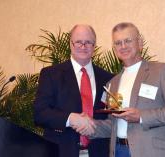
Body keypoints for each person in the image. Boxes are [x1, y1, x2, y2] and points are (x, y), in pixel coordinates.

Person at [81, 22, 165, 157]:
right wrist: (90, 125)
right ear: (114, 49)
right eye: (118, 43)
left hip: (154, 152)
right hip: (119, 151)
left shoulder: (162, 71)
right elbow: (113, 124)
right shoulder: (112, 83)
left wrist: (141, 116)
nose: (123, 46)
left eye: (128, 40)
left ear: (139, 42)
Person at [33, 24, 113, 157]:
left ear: (94, 46)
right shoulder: (51, 74)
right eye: (78, 42)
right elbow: (40, 113)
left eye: (88, 42)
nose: (83, 46)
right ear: (70, 44)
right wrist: (70, 118)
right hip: (62, 151)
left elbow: (112, 119)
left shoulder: (108, 78)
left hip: (99, 152)